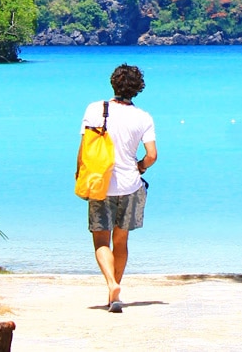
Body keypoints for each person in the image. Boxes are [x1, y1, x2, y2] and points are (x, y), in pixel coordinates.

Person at [77, 63, 157, 313]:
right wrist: (139, 167)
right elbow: (152, 155)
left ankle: (111, 284)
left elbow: (84, 149)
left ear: (113, 83)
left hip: (101, 183)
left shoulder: (95, 109)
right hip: (130, 185)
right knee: (121, 241)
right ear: (138, 89)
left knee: (101, 240)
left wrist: (80, 174)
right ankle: (115, 294)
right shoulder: (144, 117)